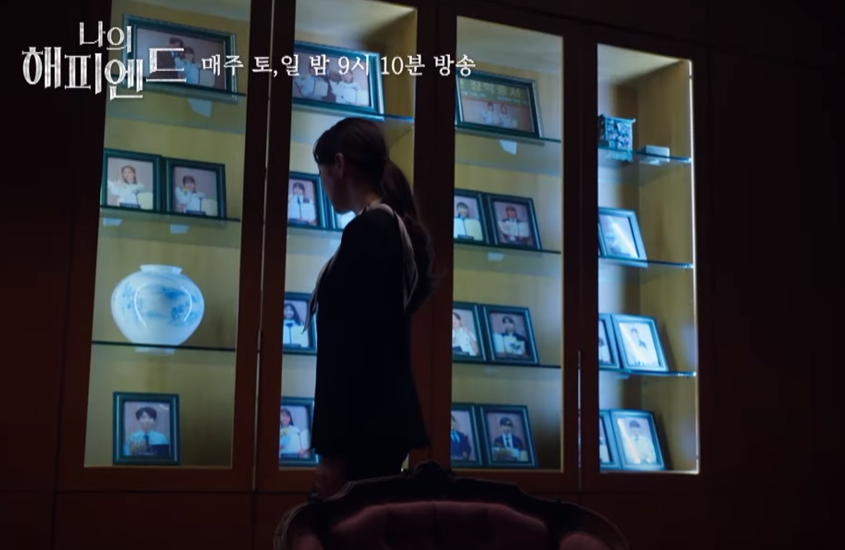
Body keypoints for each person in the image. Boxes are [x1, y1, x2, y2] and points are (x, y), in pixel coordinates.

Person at [307, 117, 433, 498]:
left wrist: (332, 448)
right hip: (377, 424)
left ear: (339, 164)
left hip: (362, 430)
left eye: (322, 174)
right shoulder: (384, 228)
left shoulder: (368, 232)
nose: (323, 185)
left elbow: (350, 348)